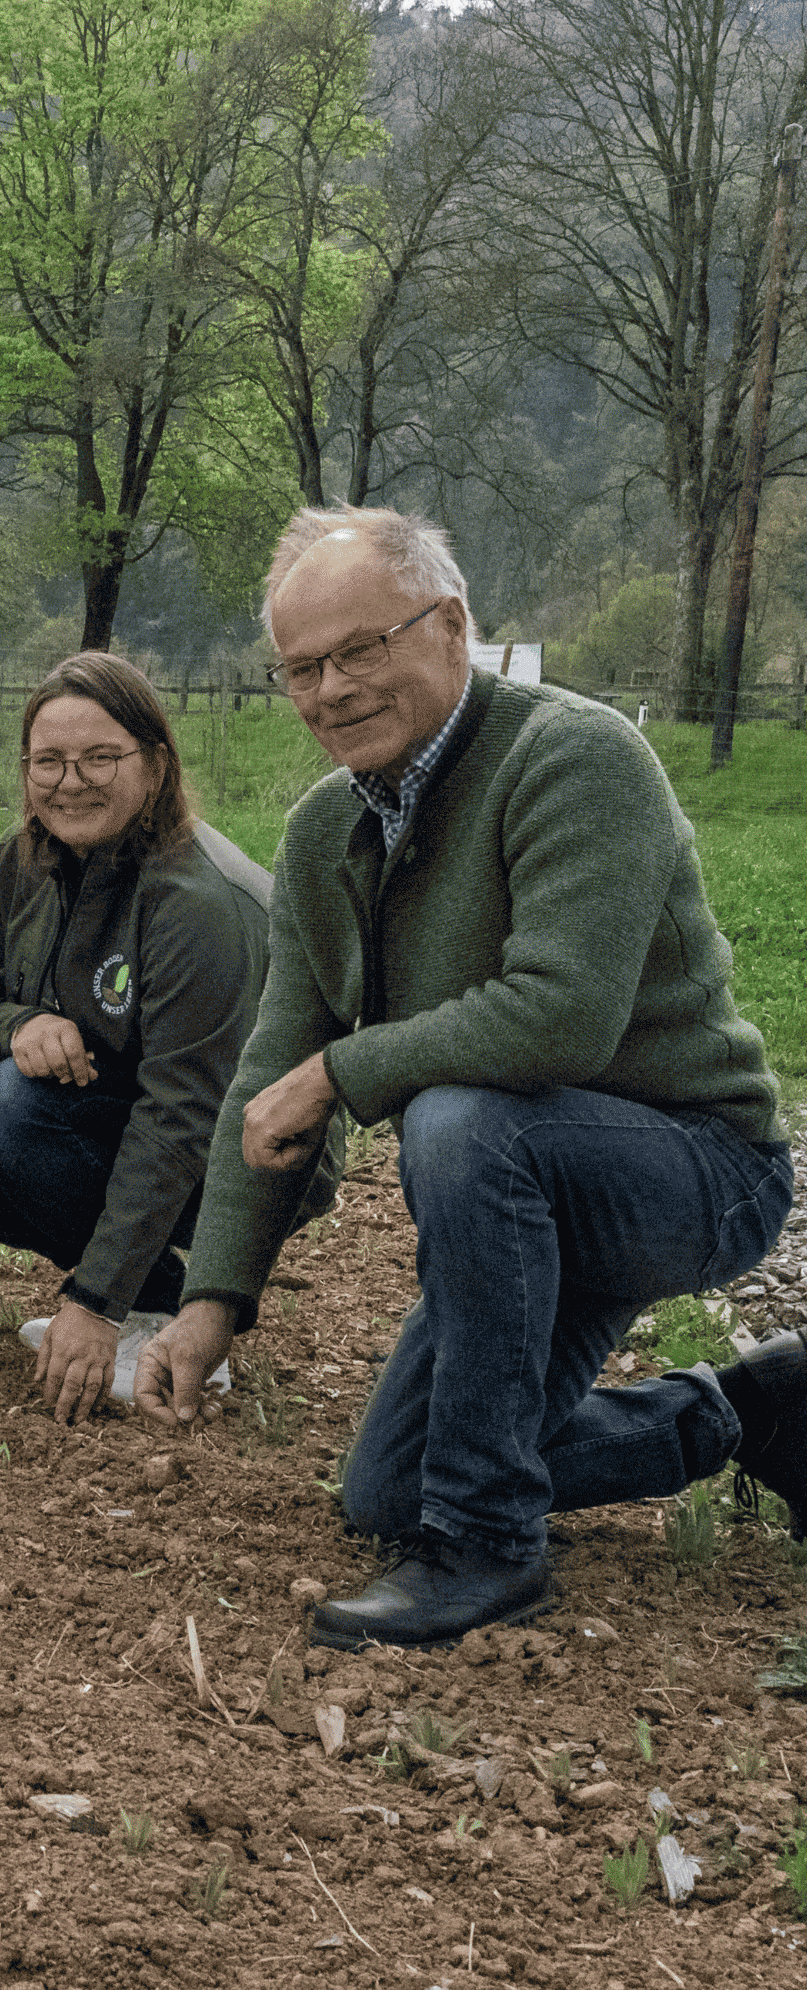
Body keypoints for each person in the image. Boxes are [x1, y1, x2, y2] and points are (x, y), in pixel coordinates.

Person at [138, 506, 800, 1648]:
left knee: (458, 1119)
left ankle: (488, 1547)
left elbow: (557, 1021)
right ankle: (752, 1410)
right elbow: (268, 1072)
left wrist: (341, 1073)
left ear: (448, 627)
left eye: (360, 649)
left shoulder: (572, 756)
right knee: (387, 1493)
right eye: (301, 668)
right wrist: (211, 1302)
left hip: (691, 1165)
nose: (330, 690)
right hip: (525, 1186)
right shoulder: (318, 838)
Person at [0, 653, 338, 1422]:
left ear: (155, 763)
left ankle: (147, 1317)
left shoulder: (196, 902)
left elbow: (181, 1114)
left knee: (17, 1103)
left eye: (100, 758)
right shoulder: (20, 860)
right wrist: (18, 1025)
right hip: (104, 1110)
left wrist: (91, 1300)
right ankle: (158, 1298)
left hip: (246, 1157)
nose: (69, 782)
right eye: (48, 760)